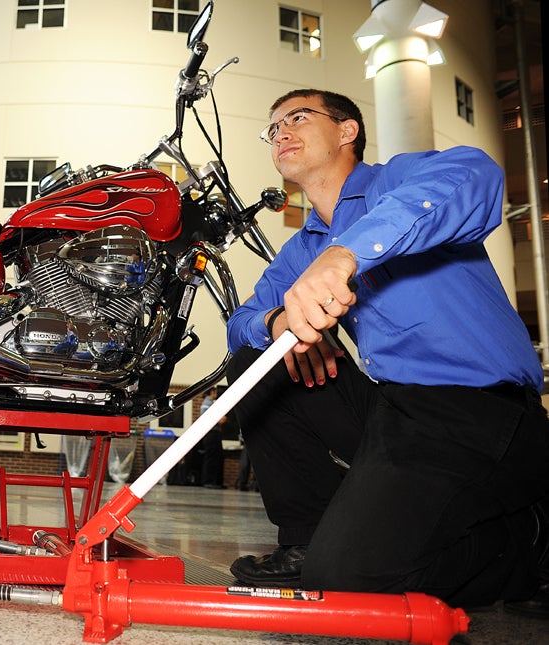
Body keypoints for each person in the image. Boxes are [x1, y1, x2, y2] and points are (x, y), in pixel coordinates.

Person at [224, 88, 549, 612]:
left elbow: (476, 174)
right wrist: (279, 320)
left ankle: (531, 540)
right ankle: (309, 535)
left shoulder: (396, 182)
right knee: (256, 365)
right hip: (392, 407)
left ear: (347, 130)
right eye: (273, 127)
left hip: (479, 410)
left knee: (353, 581)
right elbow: (240, 324)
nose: (280, 133)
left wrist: (346, 253)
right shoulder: (302, 246)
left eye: (298, 118)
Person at [199, 388, 225, 489]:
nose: (216, 394)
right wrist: (221, 418)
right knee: (211, 458)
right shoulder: (207, 404)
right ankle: (208, 481)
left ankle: (215, 481)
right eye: (215, 392)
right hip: (211, 433)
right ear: (211, 393)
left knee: (217, 457)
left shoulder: (210, 403)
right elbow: (219, 419)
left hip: (214, 433)